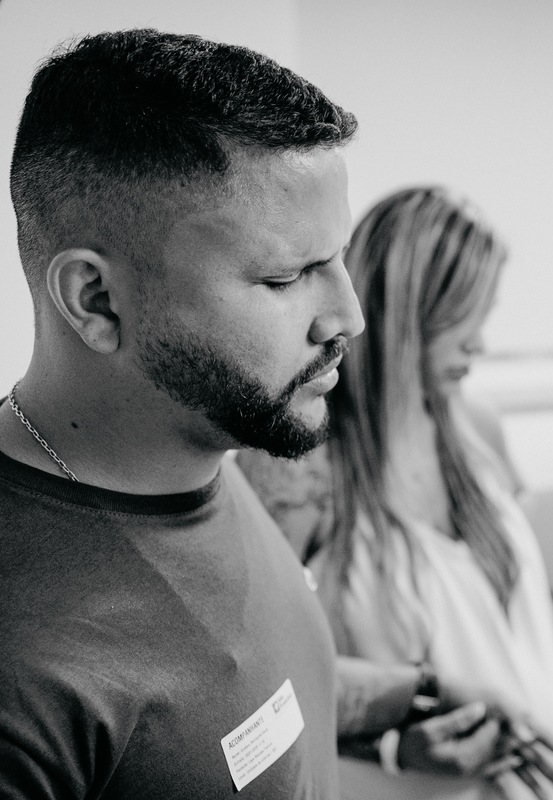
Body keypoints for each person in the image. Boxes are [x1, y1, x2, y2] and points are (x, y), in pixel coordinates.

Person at [0, 28, 374, 798]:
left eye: (337, 259)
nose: (348, 315)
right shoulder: (23, 673)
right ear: (96, 301)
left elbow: (217, 689)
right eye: (284, 277)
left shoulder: (202, 439)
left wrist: (400, 705)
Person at [238, 187, 553, 800]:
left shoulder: (478, 427)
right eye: (462, 317)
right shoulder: (297, 466)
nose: (480, 343)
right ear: (402, 311)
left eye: (486, 315)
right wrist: (394, 746)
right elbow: (258, 683)